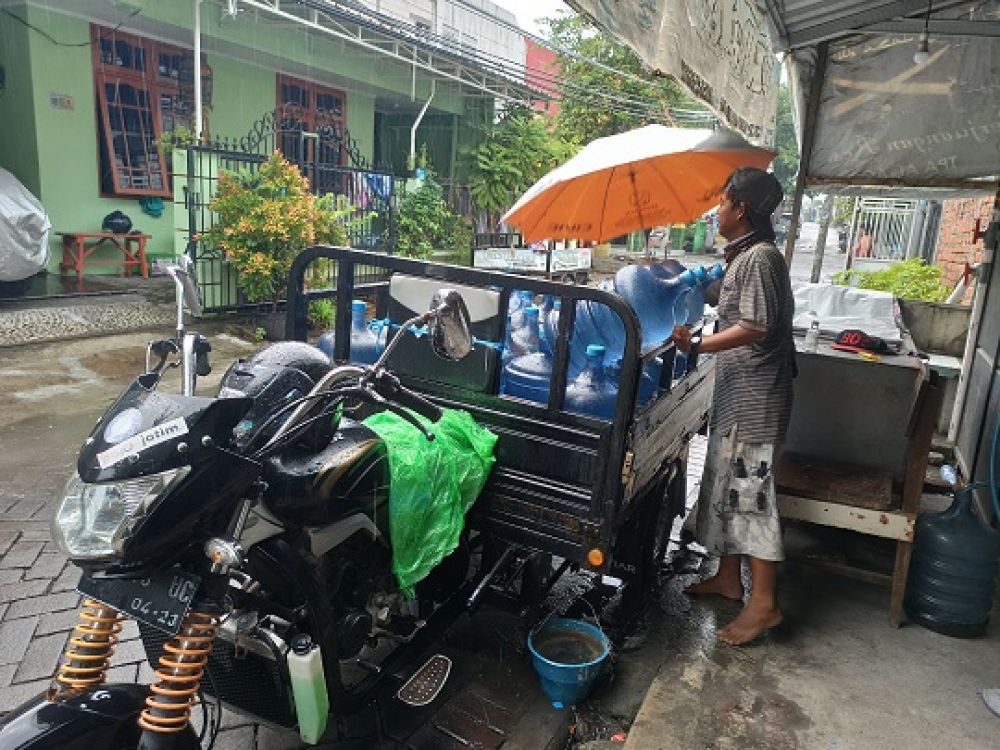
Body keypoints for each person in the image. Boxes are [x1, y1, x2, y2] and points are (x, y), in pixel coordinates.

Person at [672, 167, 795, 646]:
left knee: (750, 496)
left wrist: (697, 347)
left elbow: (757, 325)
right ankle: (729, 578)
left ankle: (764, 604)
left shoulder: (761, 258)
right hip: (741, 394)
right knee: (730, 487)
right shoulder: (747, 256)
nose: (716, 211)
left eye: (722, 203)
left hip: (756, 401)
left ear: (741, 209)